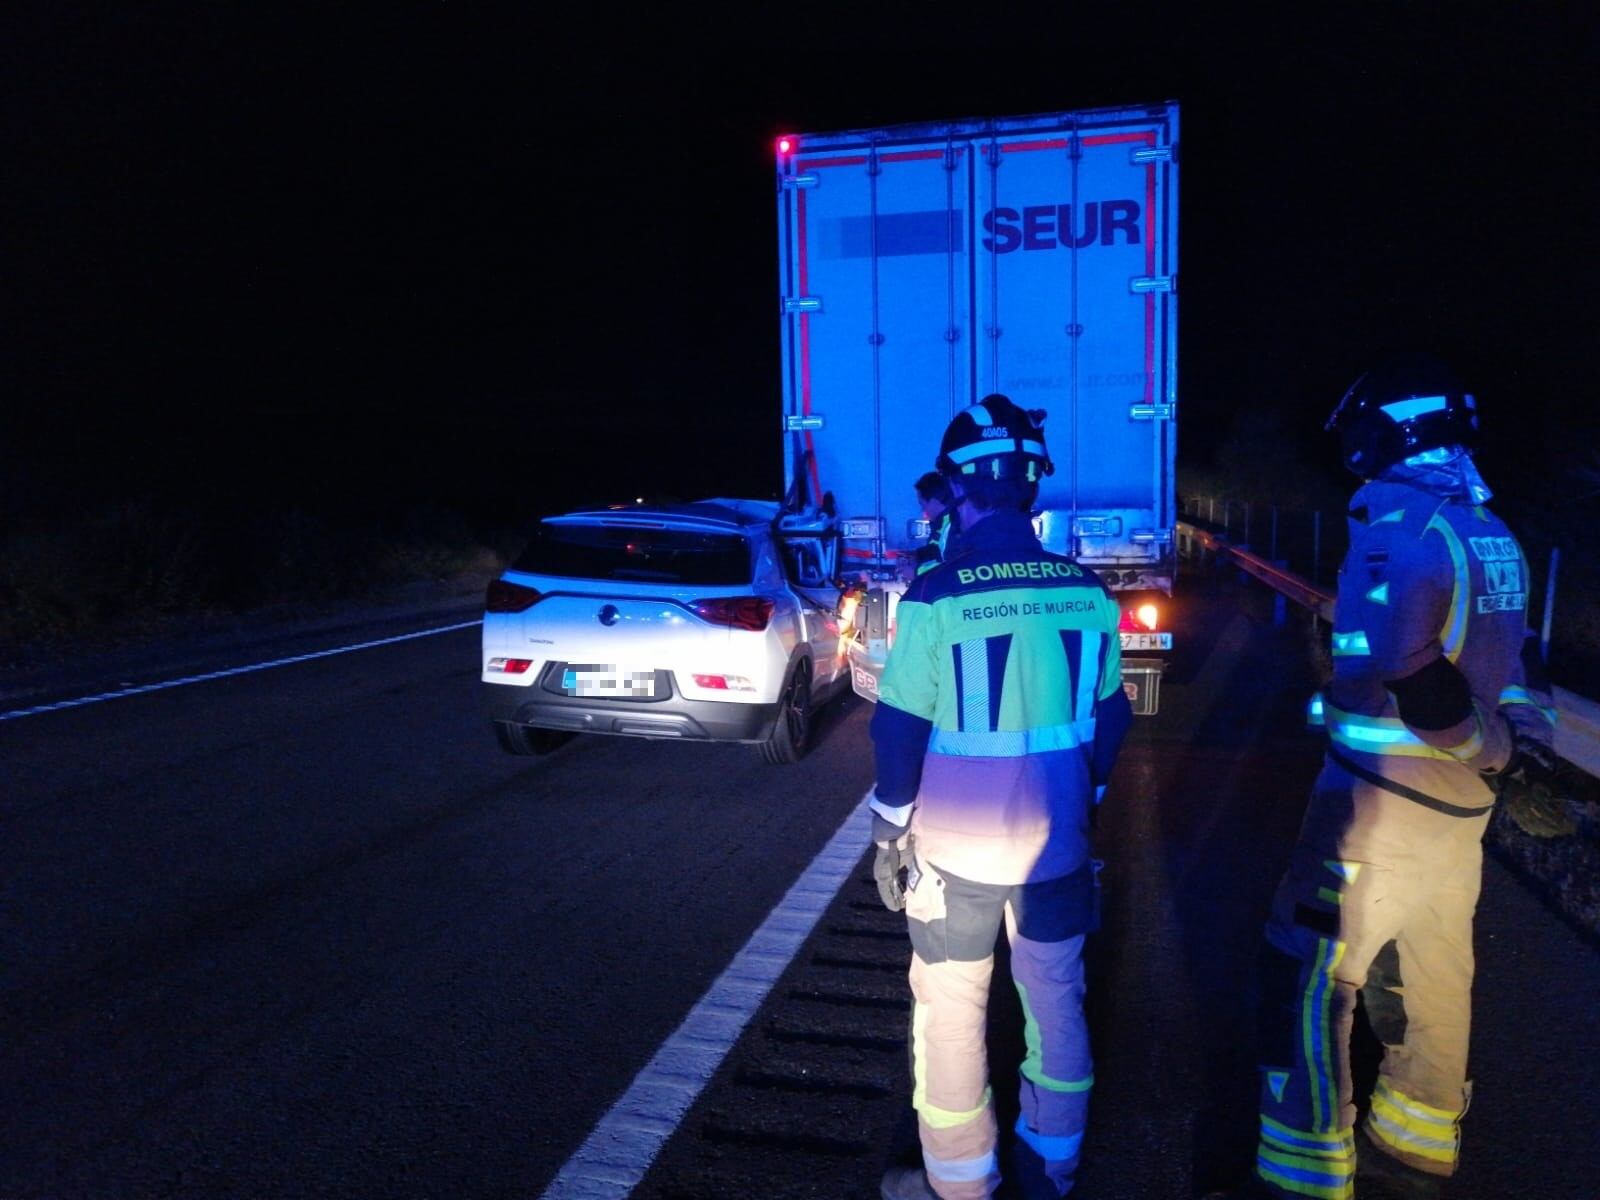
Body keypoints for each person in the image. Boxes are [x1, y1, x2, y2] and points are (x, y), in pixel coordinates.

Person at [1208, 354, 1559, 1200]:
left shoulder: (1400, 524)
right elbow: (1521, 660)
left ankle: (1302, 1176)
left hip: (1377, 809)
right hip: (1458, 818)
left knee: (1307, 974)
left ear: (1391, 433)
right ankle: (1414, 1152)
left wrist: (1490, 753)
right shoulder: (1488, 526)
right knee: (1436, 978)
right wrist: (1520, 756)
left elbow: (1411, 671)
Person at [869, 393, 1134, 1200]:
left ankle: (959, 1184)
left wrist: (888, 831)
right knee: (1057, 1001)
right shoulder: (1086, 593)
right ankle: (1053, 1168)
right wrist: (1083, 794)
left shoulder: (936, 596)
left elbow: (899, 730)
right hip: (1058, 844)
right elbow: (1112, 717)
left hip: (954, 854)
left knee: (950, 1011)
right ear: (1030, 487)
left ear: (958, 490)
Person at [912, 470, 955, 577]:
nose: (923, 511)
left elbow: (947, 565)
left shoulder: (950, 526)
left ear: (935, 501)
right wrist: (917, 556)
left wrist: (916, 572)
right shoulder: (946, 522)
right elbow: (937, 551)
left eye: (922, 504)